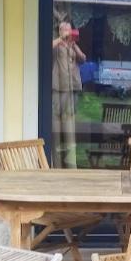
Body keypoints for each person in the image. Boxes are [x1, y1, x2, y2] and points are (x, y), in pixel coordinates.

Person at [52, 22, 86, 168]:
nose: (67, 32)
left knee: (70, 119)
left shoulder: (72, 45)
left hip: (72, 87)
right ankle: (57, 158)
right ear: (60, 31)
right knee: (57, 120)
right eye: (64, 29)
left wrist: (74, 45)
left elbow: (83, 59)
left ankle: (71, 158)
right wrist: (61, 39)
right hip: (59, 88)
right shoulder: (56, 44)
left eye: (69, 29)